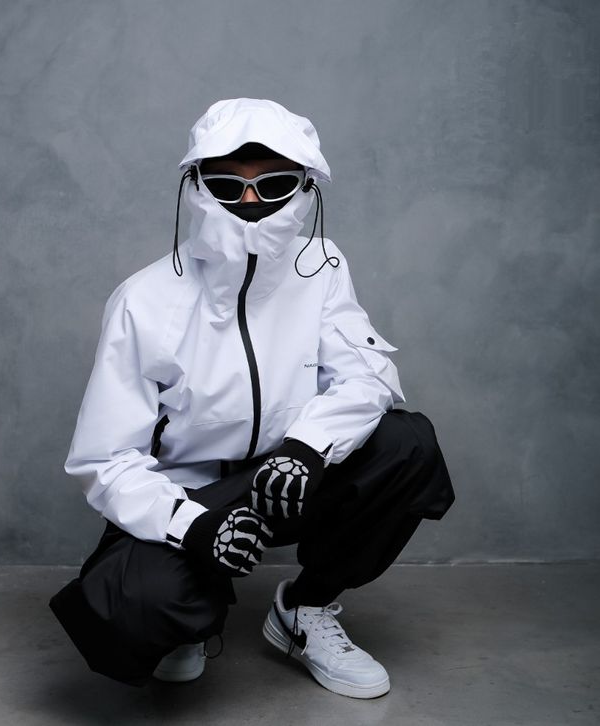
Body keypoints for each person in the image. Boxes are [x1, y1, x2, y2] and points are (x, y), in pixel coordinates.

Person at [49, 98, 455, 699]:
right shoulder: (145, 300)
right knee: (130, 608)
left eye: (273, 184)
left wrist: (307, 448)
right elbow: (104, 460)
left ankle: (304, 608)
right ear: (196, 186)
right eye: (225, 185)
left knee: (407, 443)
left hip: (287, 479)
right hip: (189, 495)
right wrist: (192, 524)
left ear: (304, 185)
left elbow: (369, 377)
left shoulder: (321, 267)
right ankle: (188, 618)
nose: (247, 202)